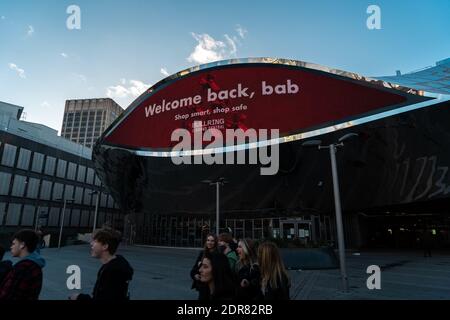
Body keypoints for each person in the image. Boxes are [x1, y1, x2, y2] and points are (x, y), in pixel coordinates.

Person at [70, 228, 134, 300]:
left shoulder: (111, 272)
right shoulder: (118, 264)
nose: (91, 244)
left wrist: (79, 297)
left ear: (105, 246)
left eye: (95, 241)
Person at [0, 229, 46, 300]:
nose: (11, 247)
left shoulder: (23, 268)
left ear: (22, 245)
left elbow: (9, 295)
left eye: (14, 244)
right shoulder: (35, 265)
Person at [190, 233, 218, 298]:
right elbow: (194, 270)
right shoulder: (202, 253)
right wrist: (195, 275)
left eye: (212, 241)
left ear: (215, 242)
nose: (209, 242)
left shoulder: (218, 255)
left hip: (213, 286)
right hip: (202, 286)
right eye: (208, 240)